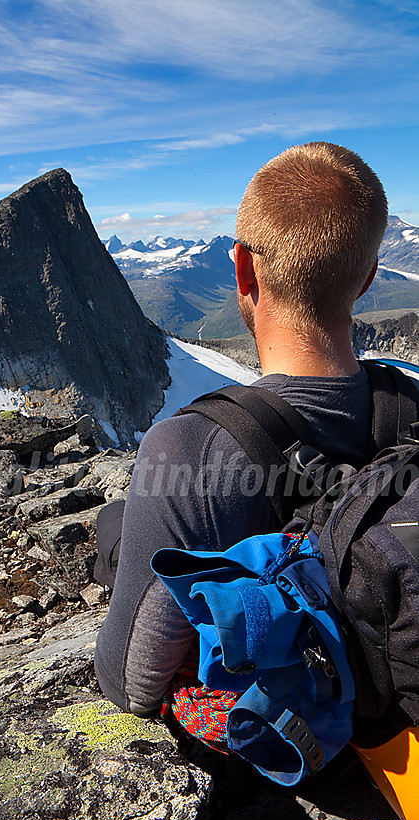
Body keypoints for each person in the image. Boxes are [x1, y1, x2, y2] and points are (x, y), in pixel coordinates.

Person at [94, 141, 387, 718]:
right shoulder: (413, 405)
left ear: (244, 268)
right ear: (368, 278)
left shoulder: (190, 449)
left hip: (302, 750)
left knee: (115, 526)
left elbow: (128, 682)